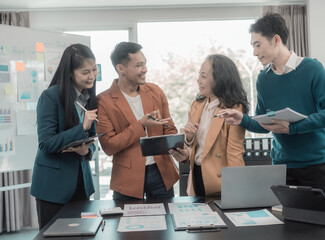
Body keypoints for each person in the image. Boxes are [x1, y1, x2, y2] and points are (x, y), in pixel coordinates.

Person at [219, 13, 325, 204]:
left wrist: (293, 127)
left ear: (276, 39)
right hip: (281, 168)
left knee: (320, 230)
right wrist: (242, 119)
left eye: (257, 44)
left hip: (316, 167)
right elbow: (265, 123)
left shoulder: (311, 69)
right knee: (286, 229)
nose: (254, 52)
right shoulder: (264, 79)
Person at [96, 41, 179, 200]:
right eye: (139, 65)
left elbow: (170, 129)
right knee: (129, 224)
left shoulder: (155, 91)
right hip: (127, 178)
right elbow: (109, 146)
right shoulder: (103, 101)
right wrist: (140, 125)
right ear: (121, 69)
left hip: (161, 173)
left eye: (145, 64)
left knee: (166, 224)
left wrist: (178, 144)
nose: (145, 70)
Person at [30, 44, 98, 229]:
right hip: (53, 188)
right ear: (70, 72)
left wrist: (87, 150)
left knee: (84, 234)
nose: (92, 75)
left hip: (81, 185)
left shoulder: (90, 97)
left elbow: (93, 139)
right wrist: (81, 127)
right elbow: (46, 143)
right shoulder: (50, 96)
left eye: (94, 69)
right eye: (85, 72)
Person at [170, 54, 249, 197]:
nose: (198, 80)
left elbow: (235, 154)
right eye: (199, 75)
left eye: (204, 76)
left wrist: (238, 193)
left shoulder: (234, 109)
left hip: (221, 184)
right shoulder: (197, 105)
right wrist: (188, 139)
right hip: (196, 179)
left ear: (220, 79)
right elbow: (195, 148)